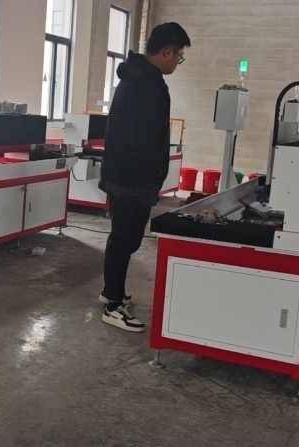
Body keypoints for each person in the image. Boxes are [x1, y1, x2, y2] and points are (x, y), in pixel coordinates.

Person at [97, 22, 191, 332]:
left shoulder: (137, 76)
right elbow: (144, 140)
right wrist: (151, 177)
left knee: (123, 238)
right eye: (179, 56)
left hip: (125, 175)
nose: (177, 62)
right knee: (124, 240)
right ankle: (113, 305)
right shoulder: (146, 84)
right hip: (132, 180)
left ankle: (111, 290)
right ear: (167, 51)